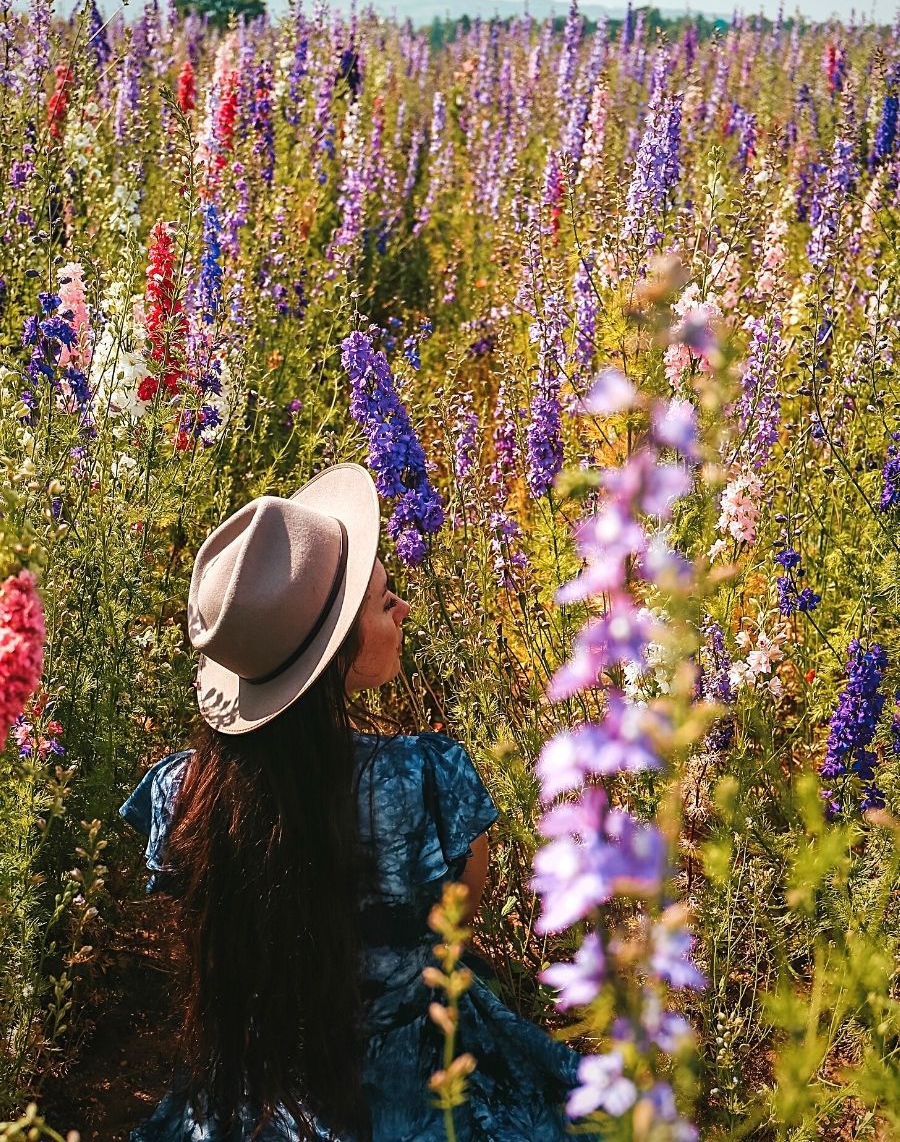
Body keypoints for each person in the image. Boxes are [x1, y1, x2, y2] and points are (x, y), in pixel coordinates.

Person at [119, 463, 603, 1142]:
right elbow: (458, 915)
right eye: (382, 602)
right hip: (408, 1087)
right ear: (333, 659)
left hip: (252, 1098)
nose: (402, 606)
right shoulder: (425, 779)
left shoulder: (185, 798)